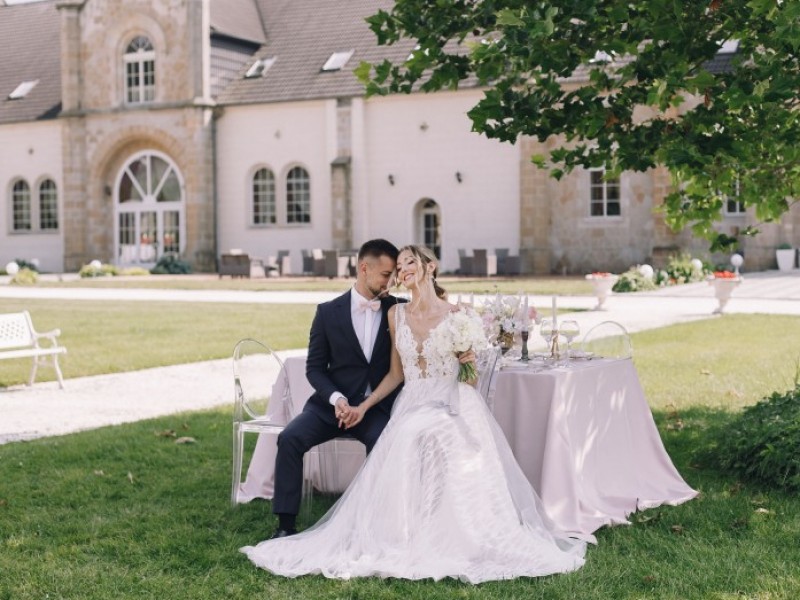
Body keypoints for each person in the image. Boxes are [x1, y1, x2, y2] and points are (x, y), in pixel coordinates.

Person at [242, 245, 587, 583]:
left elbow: (469, 379)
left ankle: (445, 530)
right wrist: (358, 404)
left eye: (408, 263)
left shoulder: (456, 315)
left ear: (429, 266)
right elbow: (395, 374)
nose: (401, 271)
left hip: (450, 399)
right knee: (399, 433)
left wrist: (467, 365)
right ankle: (306, 525)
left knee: (424, 435)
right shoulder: (391, 314)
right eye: (396, 268)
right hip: (401, 401)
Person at [269, 239, 405, 538]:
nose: (391, 281)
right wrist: (337, 399)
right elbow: (314, 368)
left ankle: (374, 524)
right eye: (386, 274)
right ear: (364, 268)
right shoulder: (327, 312)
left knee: (384, 442)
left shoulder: (399, 310)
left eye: (393, 274)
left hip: (374, 407)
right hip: (330, 408)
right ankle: (285, 525)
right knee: (289, 438)